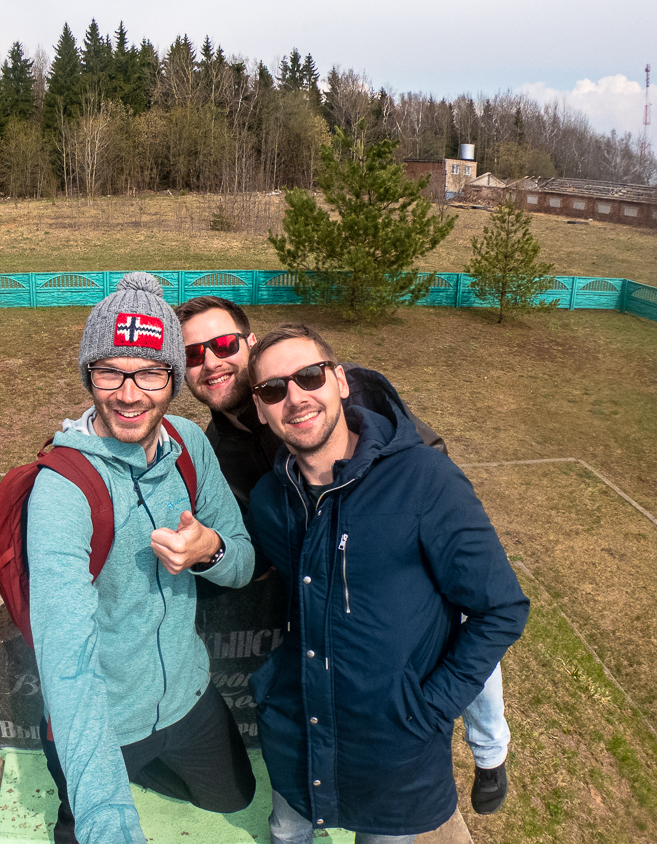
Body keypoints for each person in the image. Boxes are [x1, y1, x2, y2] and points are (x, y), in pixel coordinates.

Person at [176, 296, 512, 814]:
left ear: (249, 343)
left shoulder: (323, 381)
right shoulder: (217, 446)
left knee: (460, 617)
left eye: (221, 345)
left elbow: (413, 449)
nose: (211, 363)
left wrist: (420, 515)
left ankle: (490, 750)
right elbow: (252, 534)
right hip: (320, 567)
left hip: (403, 529)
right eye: (194, 355)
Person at [244, 323, 529, 843]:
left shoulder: (425, 480)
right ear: (260, 409)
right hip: (299, 737)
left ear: (341, 381)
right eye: (273, 389)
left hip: (393, 754)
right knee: (287, 833)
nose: (296, 397)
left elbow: (500, 609)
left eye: (309, 376)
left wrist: (430, 708)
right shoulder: (269, 500)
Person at [26, 273, 259, 844]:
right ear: (89, 374)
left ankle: (145, 769)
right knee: (84, 828)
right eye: (110, 371)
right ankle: (86, 779)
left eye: (151, 373)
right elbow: (68, 666)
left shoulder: (189, 445)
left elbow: (244, 562)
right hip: (105, 715)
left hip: (187, 695)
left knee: (238, 797)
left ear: (175, 378)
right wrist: (108, 823)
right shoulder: (63, 489)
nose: (130, 395)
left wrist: (211, 552)